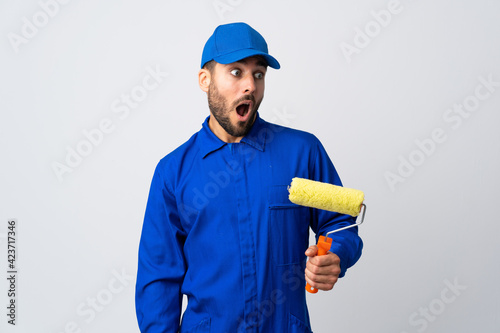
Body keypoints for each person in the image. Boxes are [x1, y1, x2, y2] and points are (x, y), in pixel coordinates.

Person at [135, 22, 363, 333]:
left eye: (258, 74)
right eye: (236, 72)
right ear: (205, 80)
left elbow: (341, 223)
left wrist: (336, 254)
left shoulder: (302, 152)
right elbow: (159, 278)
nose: (250, 86)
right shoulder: (173, 172)